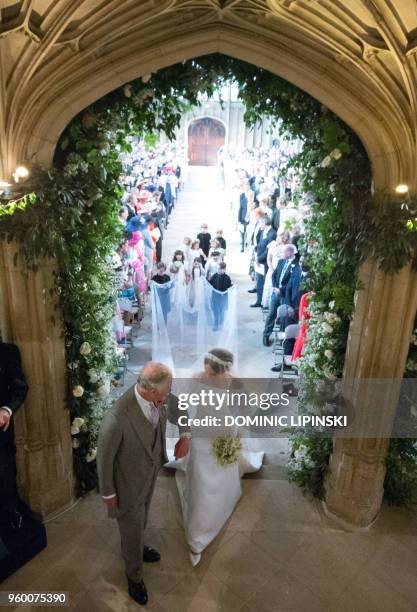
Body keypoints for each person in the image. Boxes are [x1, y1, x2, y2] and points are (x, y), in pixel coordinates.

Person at [97, 363, 190, 606]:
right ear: (149, 390)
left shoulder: (159, 397)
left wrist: (185, 434)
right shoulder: (116, 418)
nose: (168, 395)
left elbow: (178, 405)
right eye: (165, 391)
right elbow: (104, 460)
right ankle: (134, 575)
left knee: (141, 520)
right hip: (127, 484)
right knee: (131, 525)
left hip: (149, 473)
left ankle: (136, 547)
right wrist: (108, 494)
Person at [174, 349, 263, 566]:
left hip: (224, 437)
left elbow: (247, 410)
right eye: (206, 370)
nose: (207, 375)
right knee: (200, 483)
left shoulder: (235, 383)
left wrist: (237, 431)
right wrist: (186, 434)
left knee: (223, 476)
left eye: (211, 371)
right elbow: (183, 409)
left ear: (221, 369)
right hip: (202, 437)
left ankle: (215, 513)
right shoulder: (196, 379)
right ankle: (197, 536)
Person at [0, 341, 28, 530]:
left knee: (5, 471)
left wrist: (7, 410)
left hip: (0, 428)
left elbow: (20, 388)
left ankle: (12, 513)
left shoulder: (7, 352)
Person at [263, 244, 298, 346]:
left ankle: (283, 340)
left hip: (286, 295)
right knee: (271, 314)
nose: (281, 254)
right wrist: (275, 287)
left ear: (290, 252)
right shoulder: (281, 261)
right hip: (276, 292)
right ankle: (266, 335)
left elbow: (293, 284)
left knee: (284, 317)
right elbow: (274, 275)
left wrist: (281, 290)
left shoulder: (296, 266)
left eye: (283, 252)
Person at [250, 216, 276, 308]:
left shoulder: (272, 234)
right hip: (259, 259)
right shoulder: (262, 231)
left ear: (265, 223)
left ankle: (262, 302)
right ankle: (259, 300)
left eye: (261, 222)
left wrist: (259, 258)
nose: (260, 224)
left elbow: (268, 250)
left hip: (264, 261)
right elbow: (261, 244)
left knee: (263, 282)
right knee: (259, 281)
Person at [209, 262, 232, 331]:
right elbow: (210, 284)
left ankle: (222, 324)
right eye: (219, 269)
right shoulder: (214, 276)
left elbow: (229, 286)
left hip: (223, 298)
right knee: (216, 311)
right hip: (215, 297)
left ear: (225, 269)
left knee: (222, 311)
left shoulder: (227, 277)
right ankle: (216, 324)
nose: (221, 270)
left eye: (223, 269)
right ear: (217, 269)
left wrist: (232, 286)